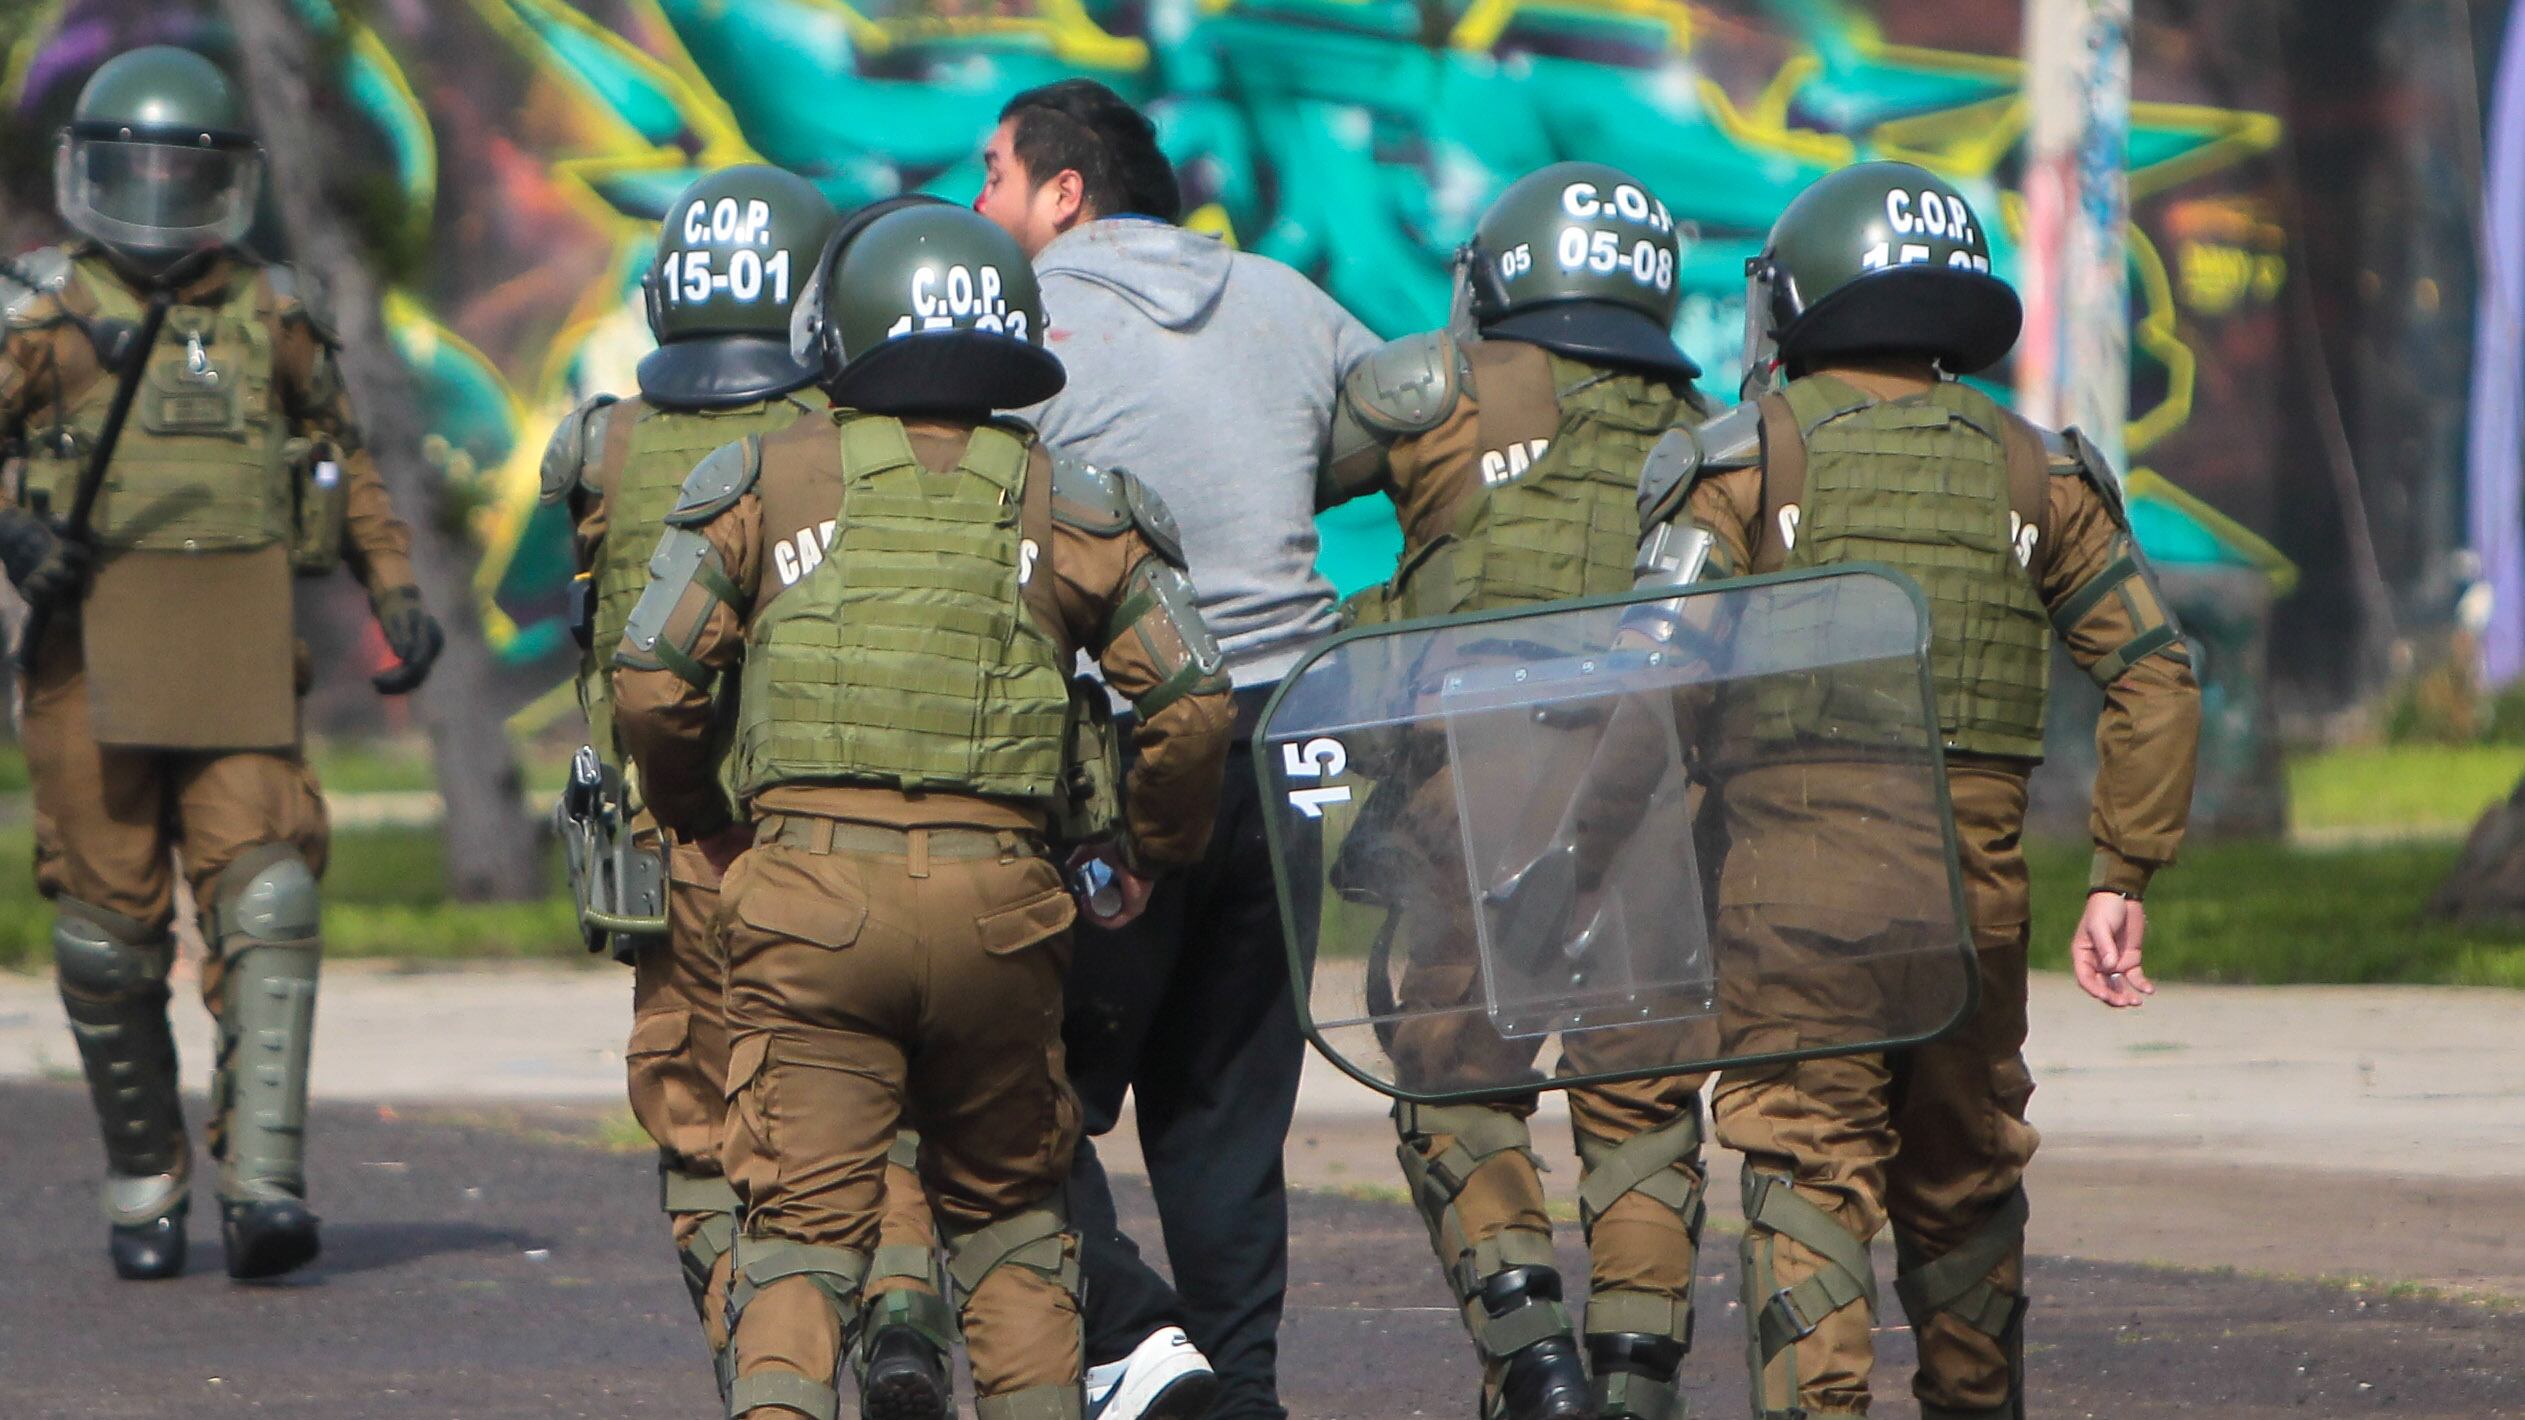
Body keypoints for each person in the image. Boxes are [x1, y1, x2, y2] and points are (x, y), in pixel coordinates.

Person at [612, 203, 1234, 1420]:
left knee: (797, 1232)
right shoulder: (1075, 499)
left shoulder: (759, 480)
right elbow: (1196, 701)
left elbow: (650, 677)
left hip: (806, 908)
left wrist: (706, 819)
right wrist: (1149, 845)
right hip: (1005, 913)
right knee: (1011, 1225)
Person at [1632, 160, 2203, 1420]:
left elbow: (1647, 680)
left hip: (1789, 907)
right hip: (1970, 907)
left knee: (1805, 1166)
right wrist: (2121, 874)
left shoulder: (1741, 459)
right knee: (1964, 1178)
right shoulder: (2038, 473)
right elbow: (2156, 674)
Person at [0, 45, 442, 1281]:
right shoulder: (44, 318)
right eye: (133, 168)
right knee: (105, 937)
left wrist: (393, 584)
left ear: (226, 181)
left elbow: (341, 454)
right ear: (90, 172)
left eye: (178, 169)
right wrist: (16, 528)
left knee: (270, 901)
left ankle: (264, 1183)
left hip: (238, 648)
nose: (155, 194)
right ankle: (146, 1183)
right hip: (90, 660)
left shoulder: (268, 313)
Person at [974, 76, 1378, 1420]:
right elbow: (1401, 418)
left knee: (1002, 1082)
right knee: (1224, 1108)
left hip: (1120, 746)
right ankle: (1238, 1393)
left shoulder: (1020, 323)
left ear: (1065, 193)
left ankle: (1143, 1349)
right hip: (1292, 731)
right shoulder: (1284, 298)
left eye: (993, 176)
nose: (979, 206)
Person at [539, 169, 954, 1408]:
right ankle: (898, 1316)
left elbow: (604, 636)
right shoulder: (847, 442)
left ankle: (758, 1356)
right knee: (870, 1114)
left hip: (681, 856)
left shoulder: (602, 445)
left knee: (701, 1132)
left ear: (671, 289)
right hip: (833, 841)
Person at [1316, 160, 1715, 1420]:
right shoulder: (1708, 430)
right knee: (1642, 1102)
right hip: (1647, 794)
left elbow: (1284, 481)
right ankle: (1638, 1372)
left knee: (1454, 1074)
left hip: (1464, 787)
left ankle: (1531, 1352)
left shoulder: (1430, 389)